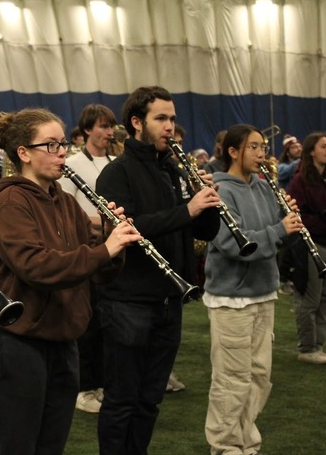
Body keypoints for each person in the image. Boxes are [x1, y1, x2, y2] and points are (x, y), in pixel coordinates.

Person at [0, 108, 140, 455]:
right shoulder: (10, 201)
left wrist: (116, 241)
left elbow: (97, 271)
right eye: (51, 145)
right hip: (20, 344)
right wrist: (104, 251)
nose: (61, 153)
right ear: (23, 153)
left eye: (63, 144)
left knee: (51, 445)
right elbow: (36, 267)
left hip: (64, 341)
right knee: (19, 446)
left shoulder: (67, 203)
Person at [95, 86, 221, 455]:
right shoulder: (116, 174)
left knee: (150, 399)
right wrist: (187, 209)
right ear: (137, 123)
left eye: (172, 118)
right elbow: (130, 228)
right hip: (128, 302)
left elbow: (204, 232)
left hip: (169, 300)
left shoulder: (173, 169)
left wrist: (207, 203)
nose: (170, 126)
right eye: (161, 119)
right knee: (122, 400)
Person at [203, 124, 302, 455]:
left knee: (259, 377)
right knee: (232, 381)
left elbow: (276, 238)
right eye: (254, 147)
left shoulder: (263, 187)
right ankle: (226, 447)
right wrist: (278, 229)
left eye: (263, 147)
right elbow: (233, 244)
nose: (262, 154)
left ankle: (246, 443)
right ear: (233, 152)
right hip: (231, 299)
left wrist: (288, 220)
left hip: (264, 293)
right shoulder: (219, 190)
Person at [58, 103, 117, 414]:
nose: (109, 132)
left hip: (112, 247)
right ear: (86, 131)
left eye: (110, 126)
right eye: (102, 126)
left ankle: (103, 381)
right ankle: (84, 388)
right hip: (85, 246)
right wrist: (94, 221)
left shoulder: (115, 162)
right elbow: (66, 203)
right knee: (88, 321)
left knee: (108, 321)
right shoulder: (72, 163)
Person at [287, 132, 326, 364]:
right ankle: (307, 347)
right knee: (310, 299)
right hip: (312, 244)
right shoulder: (300, 180)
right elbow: (294, 214)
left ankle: (319, 344)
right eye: (323, 147)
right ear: (312, 151)